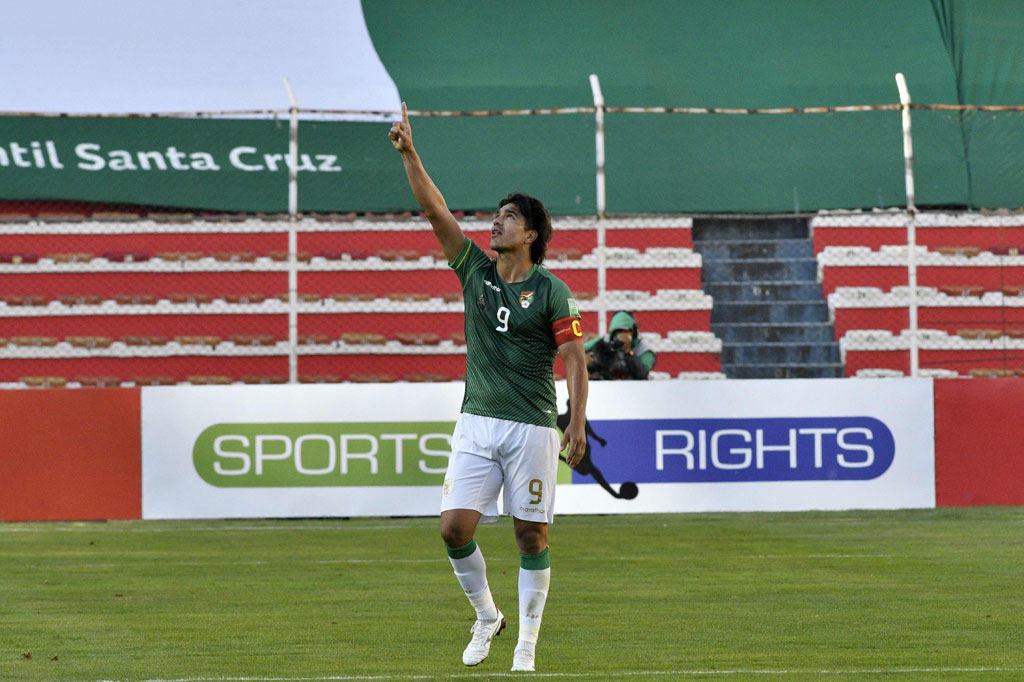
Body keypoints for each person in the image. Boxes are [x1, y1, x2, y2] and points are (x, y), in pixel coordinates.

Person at [389, 102, 589, 673]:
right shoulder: (474, 270)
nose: (493, 223)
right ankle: (487, 616)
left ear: (530, 234)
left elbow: (574, 357)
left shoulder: (552, 291)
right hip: (476, 419)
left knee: (531, 535)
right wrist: (410, 154)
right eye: (496, 216)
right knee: (453, 528)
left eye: (505, 217)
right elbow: (433, 210)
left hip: (531, 425)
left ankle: (526, 643)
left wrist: (575, 419)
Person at [584, 310, 656, 380]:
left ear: (633, 333)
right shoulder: (604, 342)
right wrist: (585, 359)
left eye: (626, 332)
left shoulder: (643, 350)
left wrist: (628, 353)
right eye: (618, 332)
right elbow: (580, 350)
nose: (622, 336)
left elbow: (642, 376)